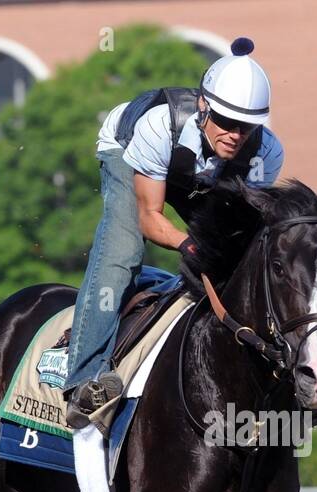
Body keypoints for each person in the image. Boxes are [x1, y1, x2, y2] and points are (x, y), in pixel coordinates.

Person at [63, 36, 286, 429]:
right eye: (227, 122)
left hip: (201, 172)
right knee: (124, 251)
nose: (236, 134)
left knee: (237, 255)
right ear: (203, 105)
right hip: (128, 149)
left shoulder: (266, 153)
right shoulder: (156, 126)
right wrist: (190, 245)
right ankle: (84, 381)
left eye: (247, 127)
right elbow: (151, 216)